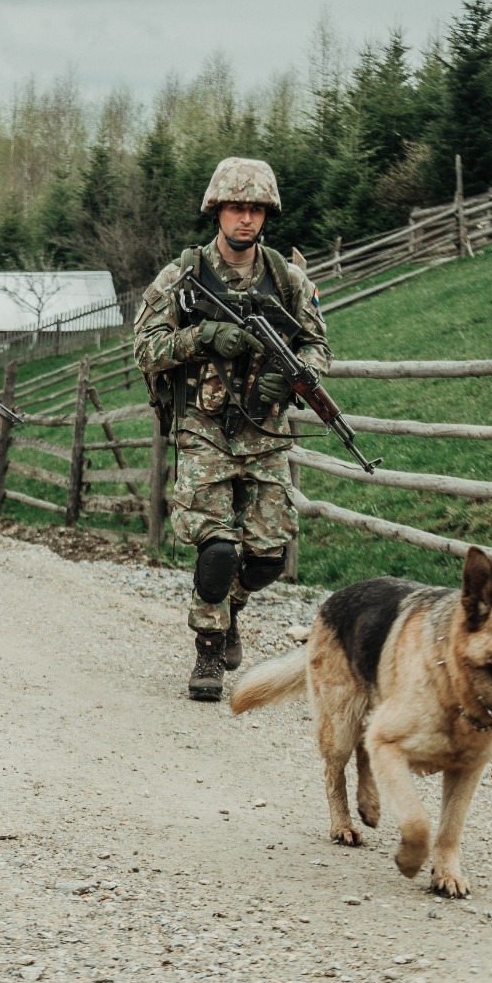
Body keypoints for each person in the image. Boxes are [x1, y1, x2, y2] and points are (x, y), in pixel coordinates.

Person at [134, 158, 331, 701]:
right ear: (217, 211)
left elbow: (318, 345)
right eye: (237, 208)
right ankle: (209, 652)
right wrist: (203, 338)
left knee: (267, 557)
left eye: (256, 209)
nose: (246, 218)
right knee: (218, 549)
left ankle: (231, 609)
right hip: (203, 428)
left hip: (265, 432)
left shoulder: (289, 278)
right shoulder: (182, 277)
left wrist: (295, 378)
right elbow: (145, 349)